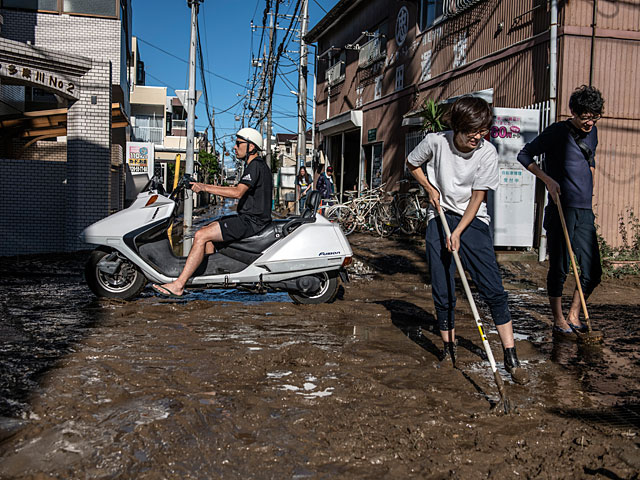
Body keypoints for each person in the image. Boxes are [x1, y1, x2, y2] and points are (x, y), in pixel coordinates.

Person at [406, 96, 528, 384]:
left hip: (472, 221)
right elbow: (411, 163)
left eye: (483, 130)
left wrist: (459, 231)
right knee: (444, 288)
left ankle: (510, 355)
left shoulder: (486, 153)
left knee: (493, 288)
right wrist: (429, 187)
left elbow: (477, 197)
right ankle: (449, 350)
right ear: (456, 127)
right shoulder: (436, 142)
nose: (478, 136)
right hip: (439, 215)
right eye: (472, 131)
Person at [517, 85, 604, 337]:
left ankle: (574, 314)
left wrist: (590, 179)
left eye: (594, 116)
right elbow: (525, 155)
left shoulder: (593, 132)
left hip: (584, 210)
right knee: (561, 267)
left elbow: (591, 159)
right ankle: (558, 319)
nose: (589, 121)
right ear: (573, 112)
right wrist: (548, 180)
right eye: (585, 116)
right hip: (560, 209)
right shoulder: (558, 132)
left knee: (593, 270)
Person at [152, 127, 272, 298]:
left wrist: (204, 187)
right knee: (208, 232)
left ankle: (178, 285)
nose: (235, 147)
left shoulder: (255, 166)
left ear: (251, 147)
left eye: (239, 144)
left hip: (252, 222)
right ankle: (207, 279)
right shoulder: (256, 166)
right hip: (249, 219)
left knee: (201, 235)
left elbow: (237, 192)